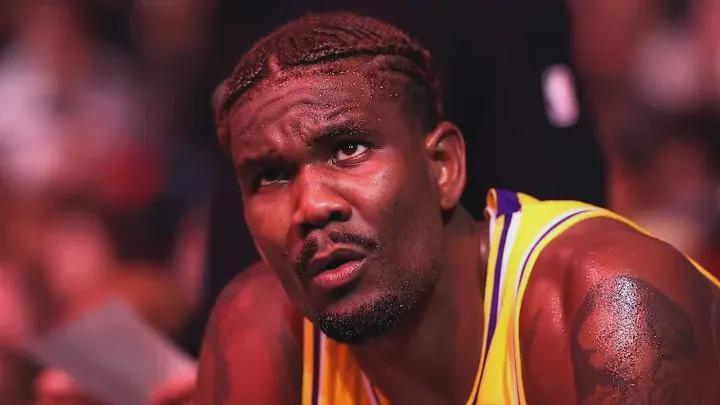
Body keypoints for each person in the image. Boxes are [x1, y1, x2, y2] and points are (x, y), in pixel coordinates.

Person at [197, 12, 720, 404]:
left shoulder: (608, 308)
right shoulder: (258, 332)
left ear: (443, 165)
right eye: (271, 176)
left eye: (349, 148)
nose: (311, 205)